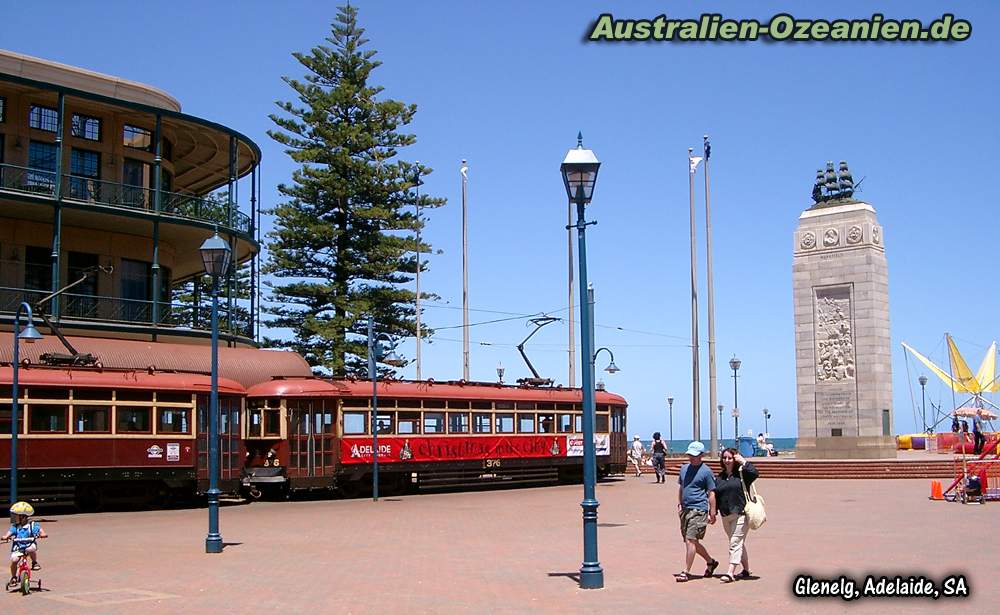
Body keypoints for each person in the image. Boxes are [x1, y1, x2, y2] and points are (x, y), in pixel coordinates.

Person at [714, 448, 759, 583]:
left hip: (741, 513)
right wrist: (713, 512)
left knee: (735, 542)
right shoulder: (719, 477)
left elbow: (755, 473)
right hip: (726, 515)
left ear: (735, 459)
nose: (727, 461)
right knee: (738, 542)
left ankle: (730, 572)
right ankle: (746, 569)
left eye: (730, 458)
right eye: (725, 458)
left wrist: (744, 461)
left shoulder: (742, 474)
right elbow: (716, 495)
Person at [675, 441, 718, 582]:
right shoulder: (684, 469)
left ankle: (686, 571)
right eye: (690, 455)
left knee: (690, 540)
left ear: (701, 455)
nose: (692, 458)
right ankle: (711, 561)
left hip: (699, 509)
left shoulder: (706, 472)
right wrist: (680, 504)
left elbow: (711, 493)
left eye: (695, 456)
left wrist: (712, 512)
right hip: (686, 509)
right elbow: (682, 488)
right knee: (691, 541)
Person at [3, 501, 46, 586]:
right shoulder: (15, 526)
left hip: (29, 544)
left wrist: (42, 534)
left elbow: (40, 530)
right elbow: (10, 532)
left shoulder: (32, 525)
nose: (14, 517)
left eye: (16, 515)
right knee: (14, 560)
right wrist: (6, 536)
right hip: (18, 546)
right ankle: (14, 577)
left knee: (30, 549)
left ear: (23, 516)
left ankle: (34, 562)